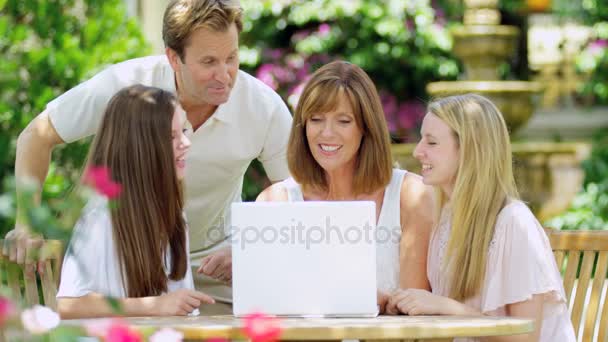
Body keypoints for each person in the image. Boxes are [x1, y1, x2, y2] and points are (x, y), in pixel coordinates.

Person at [3, 0, 292, 313]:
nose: (224, 75)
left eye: (232, 58)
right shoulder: (127, 88)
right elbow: (37, 135)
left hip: (217, 265)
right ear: (173, 57)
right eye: (208, 62)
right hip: (129, 263)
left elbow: (295, 189)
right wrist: (26, 225)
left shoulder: (262, 106)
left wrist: (248, 244)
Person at [386, 94, 575, 341]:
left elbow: (525, 338)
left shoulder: (513, 223)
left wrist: (447, 307)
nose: (418, 151)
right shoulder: (447, 221)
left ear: (470, 151)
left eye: (431, 143)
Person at [256, 60, 434, 312]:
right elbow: (264, 310)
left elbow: (412, 314)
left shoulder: (411, 195)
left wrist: (381, 303)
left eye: (343, 121)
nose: (327, 133)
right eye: (316, 119)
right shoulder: (274, 202)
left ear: (366, 127)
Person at [56, 85, 215, 318]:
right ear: (141, 147)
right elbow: (68, 305)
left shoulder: (172, 213)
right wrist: (154, 306)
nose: (186, 143)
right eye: (171, 136)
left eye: (183, 131)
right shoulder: (101, 215)